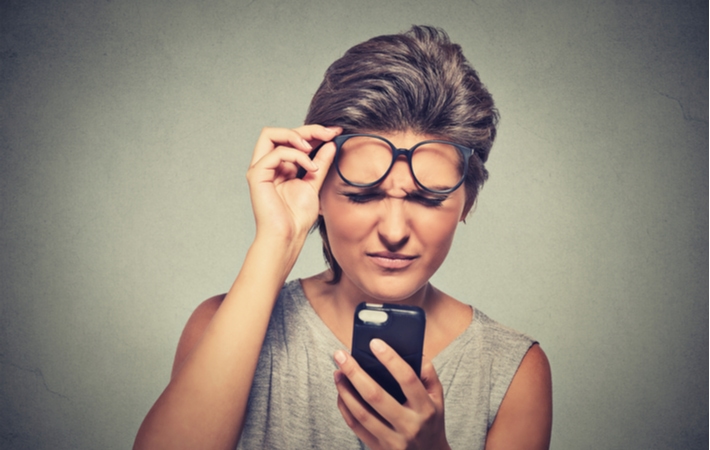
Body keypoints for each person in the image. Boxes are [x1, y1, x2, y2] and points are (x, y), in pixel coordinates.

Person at [134, 25, 552, 450]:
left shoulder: (512, 370)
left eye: (427, 199)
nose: (393, 232)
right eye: (362, 194)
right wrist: (276, 242)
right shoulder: (220, 326)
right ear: (317, 191)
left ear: (467, 201)